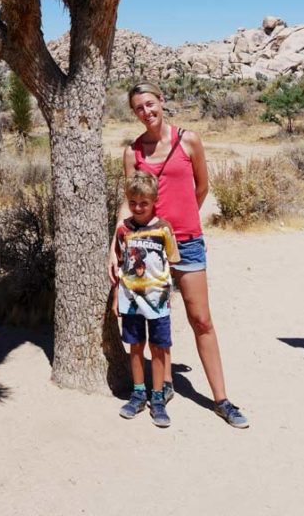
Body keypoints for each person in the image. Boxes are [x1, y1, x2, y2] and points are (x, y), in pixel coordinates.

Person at [109, 82, 249, 429]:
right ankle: (160, 387)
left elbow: (202, 186)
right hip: (144, 248)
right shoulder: (133, 152)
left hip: (185, 242)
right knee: (150, 318)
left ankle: (222, 399)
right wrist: (116, 245)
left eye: (151, 104)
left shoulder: (189, 140)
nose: (147, 112)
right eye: (139, 107)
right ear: (134, 112)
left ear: (162, 101)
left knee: (200, 318)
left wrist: (180, 224)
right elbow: (130, 199)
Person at [114, 171, 180, 428]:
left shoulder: (163, 228)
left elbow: (172, 260)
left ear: (154, 201)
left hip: (157, 298)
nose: (138, 208)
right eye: (133, 203)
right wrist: (115, 301)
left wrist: (166, 293)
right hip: (130, 298)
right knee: (136, 345)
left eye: (144, 203)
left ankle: (158, 396)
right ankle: (139, 392)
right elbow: (121, 264)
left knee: (159, 347)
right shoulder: (124, 229)